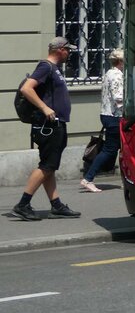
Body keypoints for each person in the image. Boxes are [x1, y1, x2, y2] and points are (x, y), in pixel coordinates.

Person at [10, 37, 82, 221]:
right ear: (60, 50)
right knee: (47, 166)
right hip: (48, 126)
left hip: (52, 125)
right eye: (68, 49)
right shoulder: (46, 67)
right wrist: (44, 107)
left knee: (49, 165)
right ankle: (23, 204)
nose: (69, 53)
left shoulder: (54, 69)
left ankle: (56, 205)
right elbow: (27, 88)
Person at [80, 48, 123, 193]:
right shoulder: (117, 75)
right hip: (114, 116)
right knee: (109, 150)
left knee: (119, 149)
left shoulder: (109, 73)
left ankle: (127, 179)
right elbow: (119, 98)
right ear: (120, 61)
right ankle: (88, 179)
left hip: (107, 114)